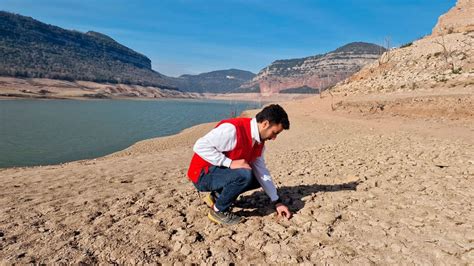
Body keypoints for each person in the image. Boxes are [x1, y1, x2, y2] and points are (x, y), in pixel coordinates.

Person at [187, 104, 292, 225]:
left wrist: (276, 201)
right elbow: (200, 146)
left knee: (257, 177)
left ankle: (215, 197)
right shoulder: (232, 129)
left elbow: (261, 172)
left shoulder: (259, 141)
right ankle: (218, 211)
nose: (274, 138)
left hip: (218, 173)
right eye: (274, 133)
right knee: (244, 174)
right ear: (265, 124)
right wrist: (230, 163)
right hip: (201, 175)